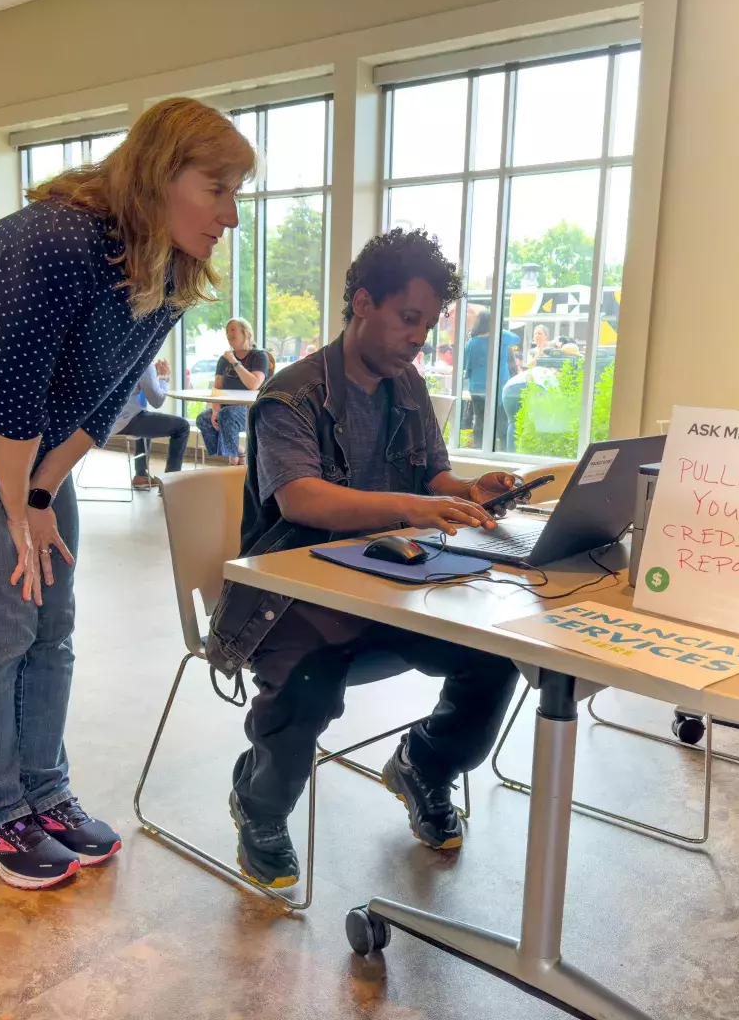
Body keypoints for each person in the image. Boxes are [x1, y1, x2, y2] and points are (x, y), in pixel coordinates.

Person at [0, 97, 254, 890]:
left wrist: (41, 498)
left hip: (33, 434)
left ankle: (44, 795)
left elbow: (106, 398)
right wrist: (17, 515)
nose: (231, 216)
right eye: (217, 189)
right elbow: (11, 395)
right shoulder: (59, 240)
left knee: (55, 614)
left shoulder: (175, 273)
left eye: (236, 194)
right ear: (161, 172)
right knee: (0, 614)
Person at [206, 228, 523, 889]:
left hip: (388, 585)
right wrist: (412, 508)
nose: (420, 338)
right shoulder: (291, 395)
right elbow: (301, 501)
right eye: (410, 319)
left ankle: (424, 766)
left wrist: (466, 492)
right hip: (292, 598)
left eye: (429, 325)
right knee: (312, 682)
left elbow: (433, 475)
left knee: (494, 658)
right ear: (362, 303)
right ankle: (258, 806)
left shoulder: (406, 385)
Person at [195, 317, 269, 465]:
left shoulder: (259, 356)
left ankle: (233, 464)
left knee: (227, 415)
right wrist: (215, 410)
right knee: (203, 418)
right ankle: (238, 451)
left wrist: (235, 362)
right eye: (227, 331)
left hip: (252, 410)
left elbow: (253, 384)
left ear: (245, 332)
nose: (229, 334)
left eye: (233, 330)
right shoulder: (223, 360)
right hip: (226, 409)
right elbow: (217, 388)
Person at [112, 358, 190, 485]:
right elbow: (157, 401)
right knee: (182, 427)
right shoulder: (142, 359)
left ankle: (141, 474)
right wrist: (164, 377)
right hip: (123, 420)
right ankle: (170, 483)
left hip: (97, 421)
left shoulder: (105, 354)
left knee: (143, 414)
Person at [463, 309, 521, 449]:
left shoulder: (472, 342)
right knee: (502, 421)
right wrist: (497, 330)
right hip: (499, 386)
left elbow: (466, 364)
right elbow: (516, 338)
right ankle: (504, 452)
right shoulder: (501, 339)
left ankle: (479, 449)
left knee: (480, 421)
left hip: (477, 388)